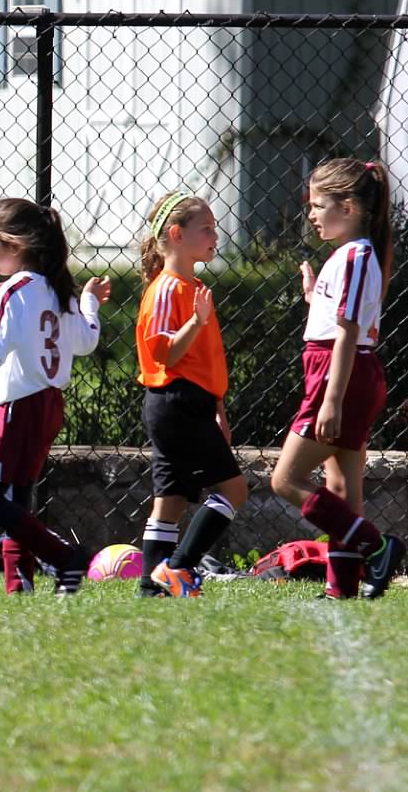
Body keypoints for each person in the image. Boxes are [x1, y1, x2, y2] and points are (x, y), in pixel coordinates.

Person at [0, 198, 110, 595]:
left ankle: (65, 557)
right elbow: (86, 341)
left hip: (15, 409)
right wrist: (90, 302)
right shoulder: (59, 290)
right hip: (47, 407)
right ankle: (19, 585)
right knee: (17, 500)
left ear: (15, 245)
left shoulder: (11, 292)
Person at [268, 159, 405, 599]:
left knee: (285, 480)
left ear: (347, 207)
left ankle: (377, 547)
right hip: (338, 371)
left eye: (317, 205)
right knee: (342, 487)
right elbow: (339, 320)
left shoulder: (359, 256)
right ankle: (341, 589)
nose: (310, 213)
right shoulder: (347, 255)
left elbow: (348, 334)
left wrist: (331, 399)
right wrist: (315, 298)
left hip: (341, 375)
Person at [133, 192, 248, 598]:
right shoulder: (168, 289)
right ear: (177, 234)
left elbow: (205, 363)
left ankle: (150, 587)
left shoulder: (193, 287)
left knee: (171, 500)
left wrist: (218, 409)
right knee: (234, 490)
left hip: (188, 403)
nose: (215, 236)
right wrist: (196, 322)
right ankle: (177, 568)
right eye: (207, 229)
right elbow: (165, 353)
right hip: (176, 403)